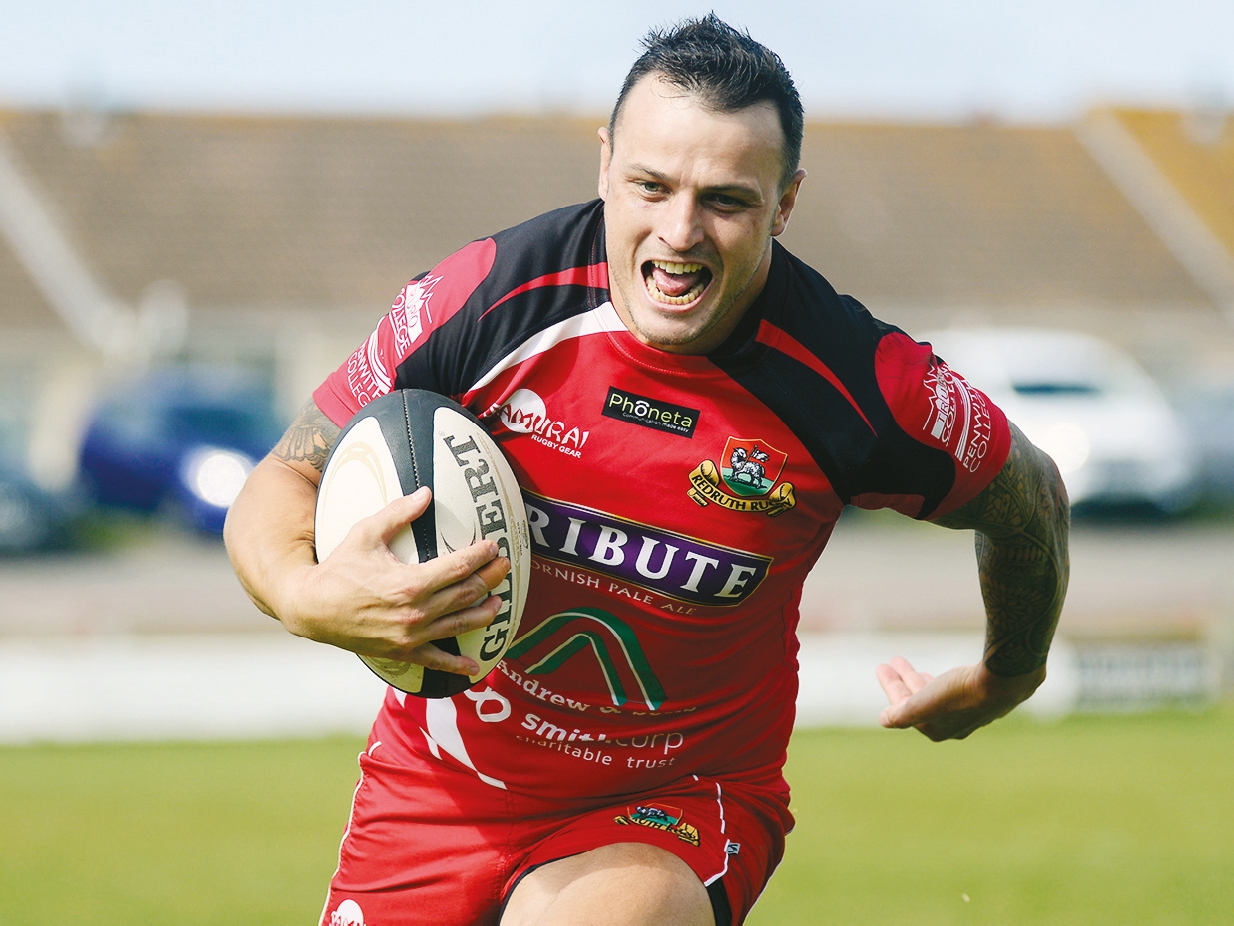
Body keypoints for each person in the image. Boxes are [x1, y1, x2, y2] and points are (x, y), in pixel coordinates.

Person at [225, 14, 1069, 926]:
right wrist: (307, 596)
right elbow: (283, 481)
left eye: (727, 201)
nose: (680, 232)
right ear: (605, 166)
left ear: (786, 202)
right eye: (651, 186)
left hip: (677, 800)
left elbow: (1029, 497)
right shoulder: (487, 299)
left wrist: (1007, 675)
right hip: (440, 785)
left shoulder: (859, 382)